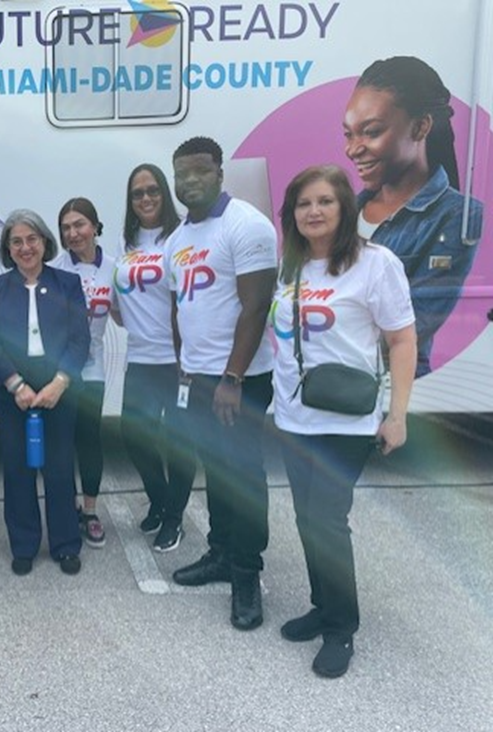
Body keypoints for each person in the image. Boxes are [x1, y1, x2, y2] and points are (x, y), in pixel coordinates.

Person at [271, 165, 416, 677]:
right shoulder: (289, 266)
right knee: (307, 519)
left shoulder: (375, 264)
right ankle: (321, 605)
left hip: (346, 422)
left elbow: (401, 340)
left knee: (328, 521)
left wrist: (396, 414)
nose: (313, 212)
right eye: (303, 203)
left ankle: (341, 629)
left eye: (324, 202)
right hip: (294, 416)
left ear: (344, 208)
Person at [165, 137, 277, 631]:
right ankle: (220, 553)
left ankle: (247, 575)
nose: (190, 182)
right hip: (200, 376)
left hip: (240, 378)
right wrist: (183, 364)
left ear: (219, 171)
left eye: (200, 171)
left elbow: (256, 306)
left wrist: (232, 377)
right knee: (215, 470)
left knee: (243, 476)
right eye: (182, 174)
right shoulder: (177, 240)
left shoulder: (246, 225)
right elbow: (179, 307)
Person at [344, 55, 483, 377]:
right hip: (329, 383)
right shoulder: (344, 210)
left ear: (421, 127)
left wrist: (322, 335)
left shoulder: (458, 216)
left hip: (394, 387)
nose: (353, 149)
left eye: (371, 131)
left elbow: (414, 322)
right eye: (349, 134)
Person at [0, 209, 90, 576]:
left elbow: (79, 340)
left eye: (32, 239)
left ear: (45, 242)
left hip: (59, 386)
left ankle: (65, 544)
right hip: (13, 389)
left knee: (59, 466)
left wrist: (60, 383)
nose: (25, 247)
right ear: (7, 248)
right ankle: (24, 544)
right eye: (17, 241)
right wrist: (16, 385)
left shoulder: (67, 284)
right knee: (17, 467)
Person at [113, 164, 197, 552]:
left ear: (164, 194)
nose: (145, 199)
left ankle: (174, 518)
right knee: (134, 437)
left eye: (152, 191)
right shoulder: (125, 243)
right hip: (141, 358)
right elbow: (117, 301)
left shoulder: (181, 238)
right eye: (137, 194)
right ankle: (162, 500)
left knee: (180, 443)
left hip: (178, 361)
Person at [51, 197, 117, 548]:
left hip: (94, 369)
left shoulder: (114, 268)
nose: (73, 233)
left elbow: (122, 314)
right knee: (61, 442)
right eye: (66, 227)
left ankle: (90, 511)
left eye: (79, 225)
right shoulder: (56, 268)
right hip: (61, 369)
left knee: (90, 440)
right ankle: (67, 507)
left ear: (94, 226)